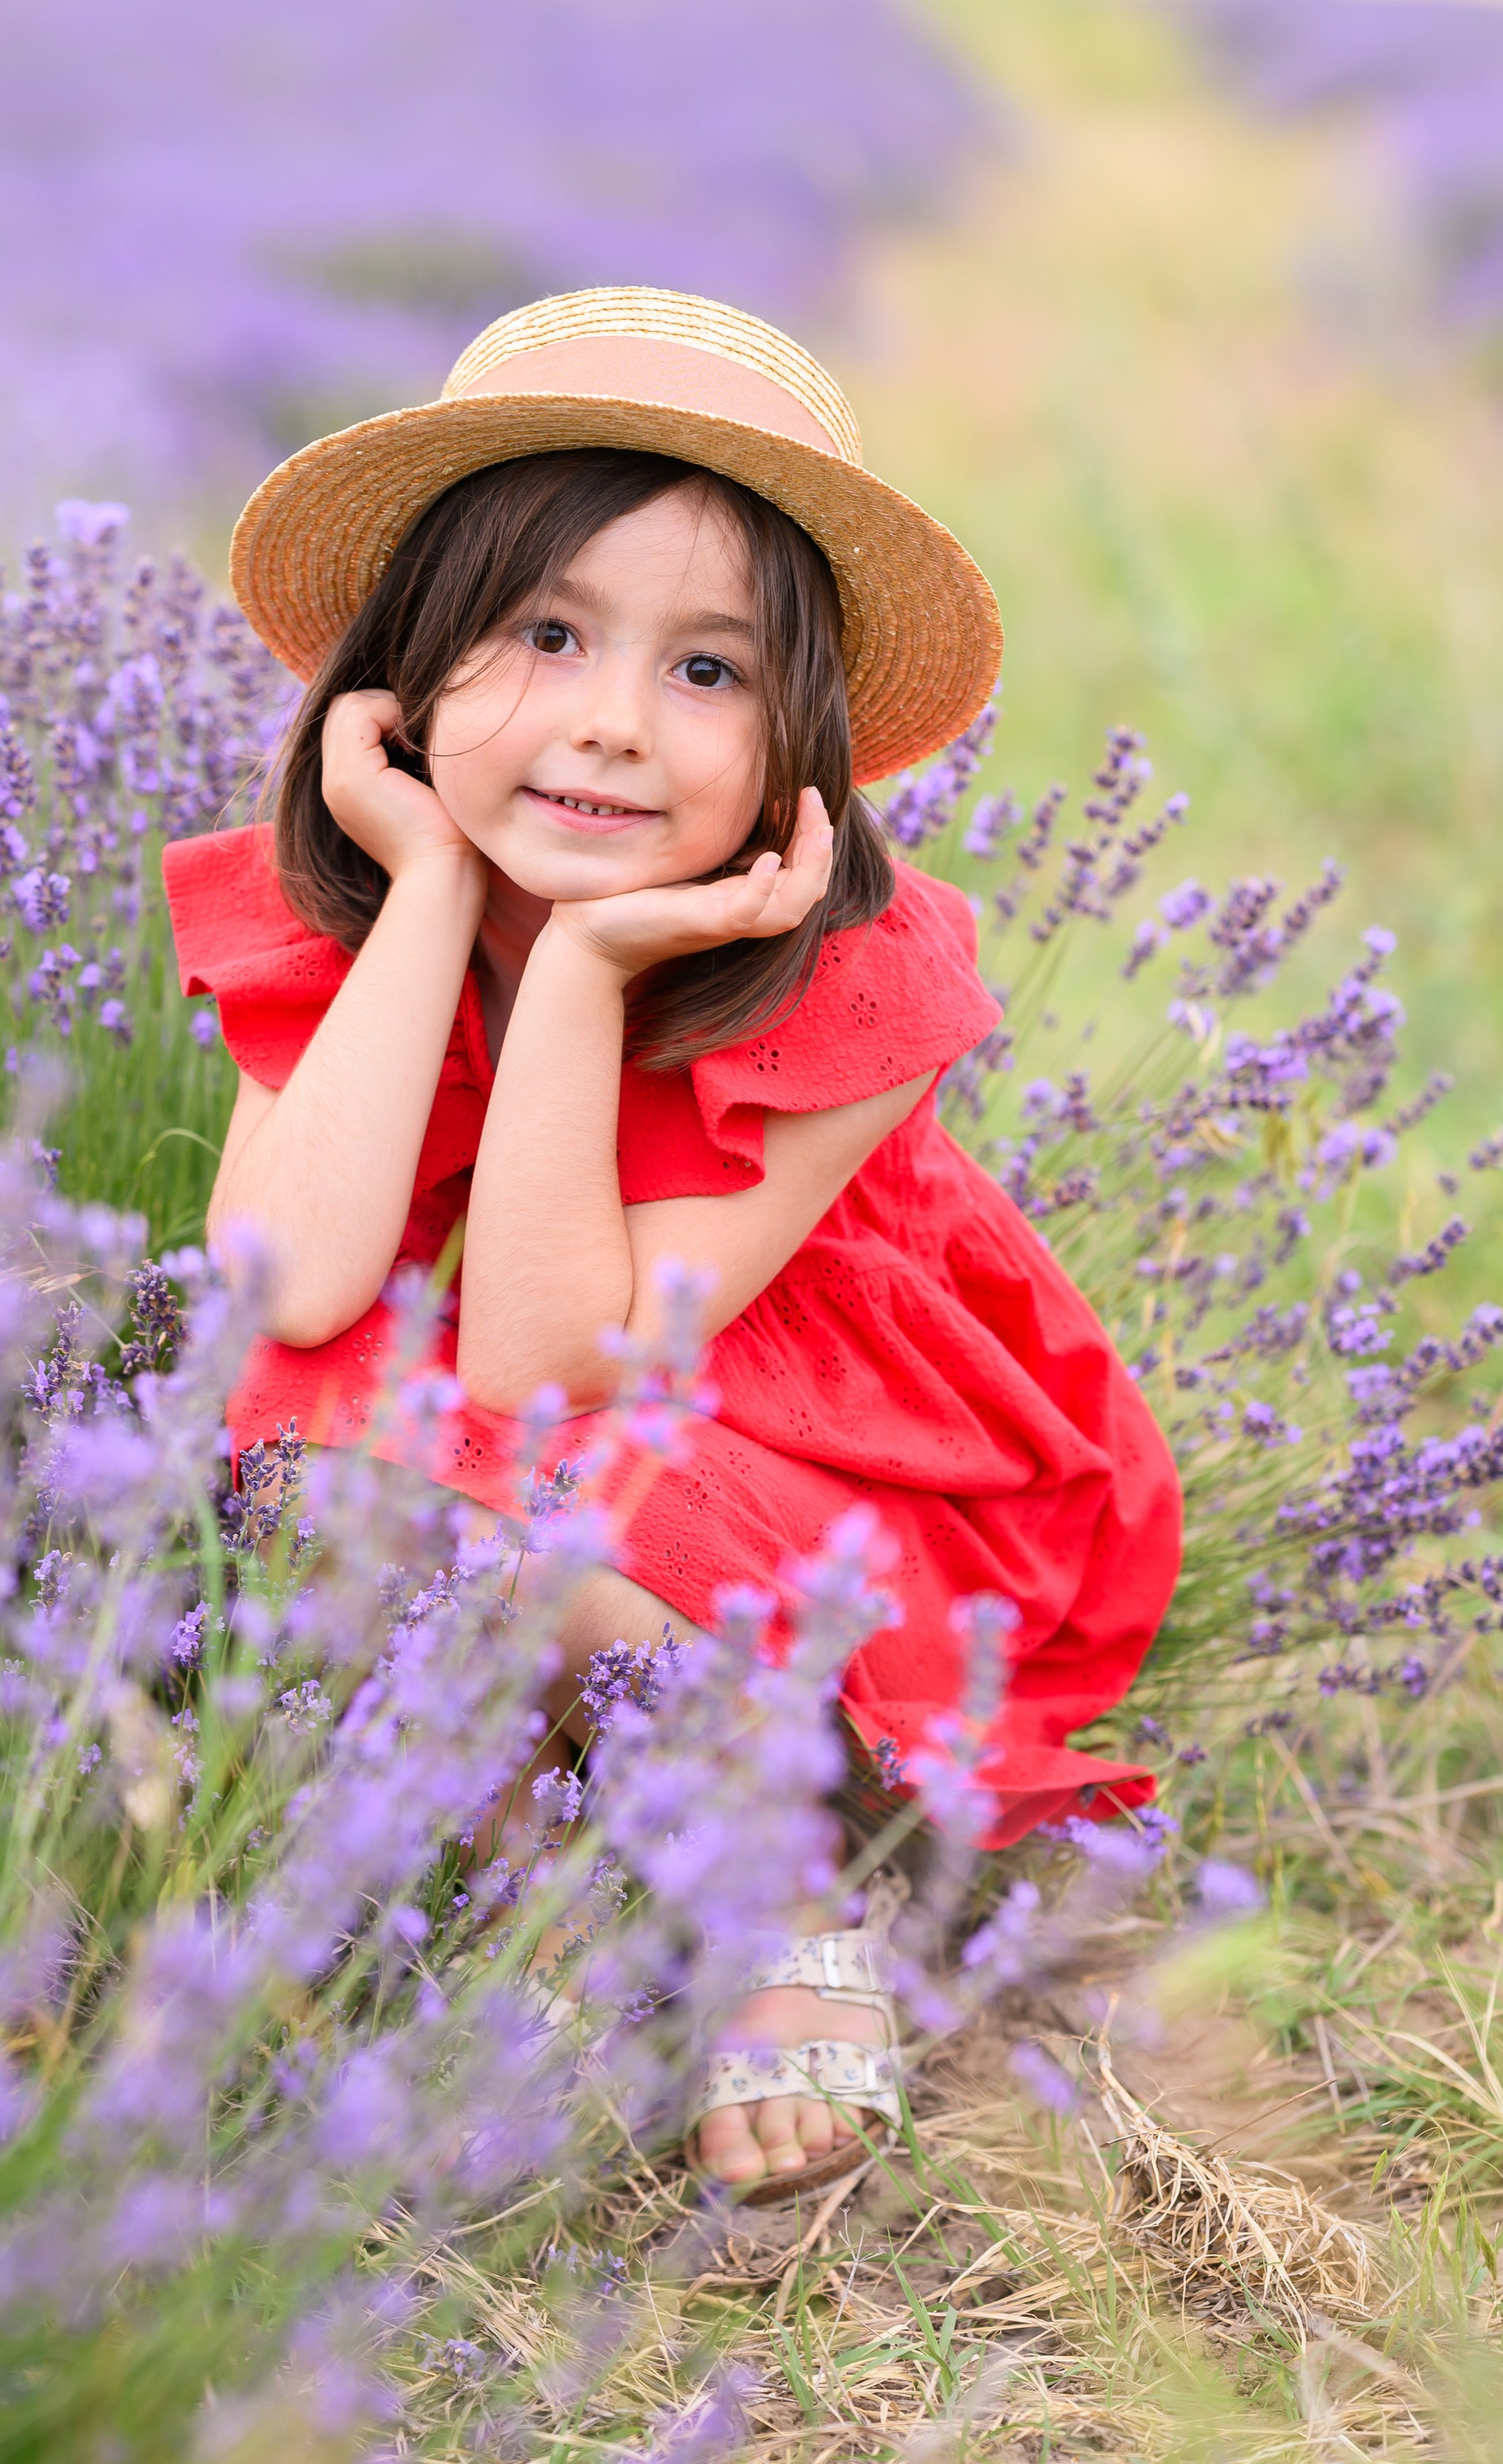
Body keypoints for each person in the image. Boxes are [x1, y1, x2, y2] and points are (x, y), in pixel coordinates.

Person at [163, 287, 1182, 2201]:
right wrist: (432, 890)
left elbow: (564, 1371)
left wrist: (589, 976)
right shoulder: (348, 905)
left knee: (519, 1488)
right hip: (494, 1442)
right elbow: (285, 1286)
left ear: (799, 741)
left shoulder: (858, 960)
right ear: (410, 673)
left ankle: (781, 1893)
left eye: (707, 675)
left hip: (820, 1459)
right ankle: (554, 1888)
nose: (616, 724)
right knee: (313, 1435)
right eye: (546, 636)